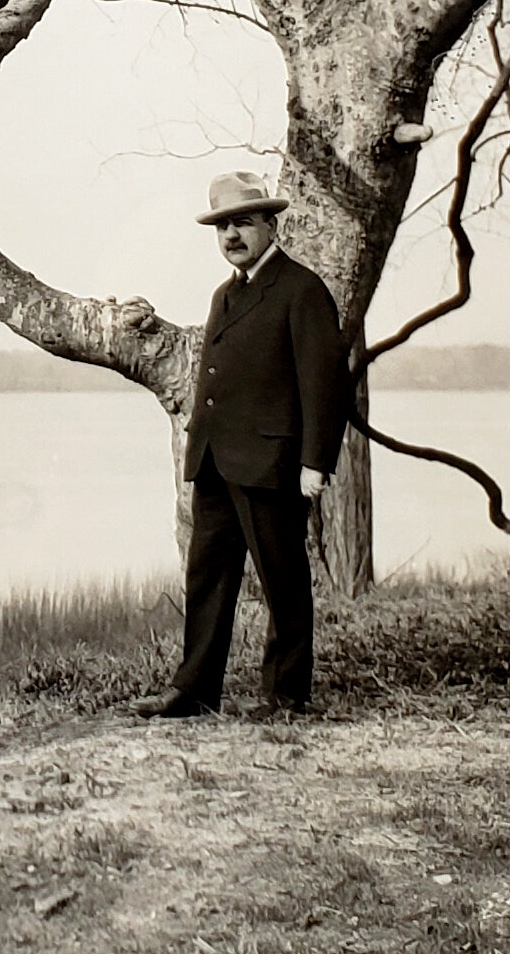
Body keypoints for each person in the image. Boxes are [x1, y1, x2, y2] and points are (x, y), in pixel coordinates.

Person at [134, 170, 349, 721]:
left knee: (284, 582)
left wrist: (314, 464)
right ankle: (194, 690)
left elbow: (324, 385)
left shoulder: (301, 290)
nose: (231, 235)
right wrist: (196, 450)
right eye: (222, 226)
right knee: (206, 579)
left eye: (243, 223)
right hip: (216, 463)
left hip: (273, 465)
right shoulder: (226, 294)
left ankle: (286, 696)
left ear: (270, 226)